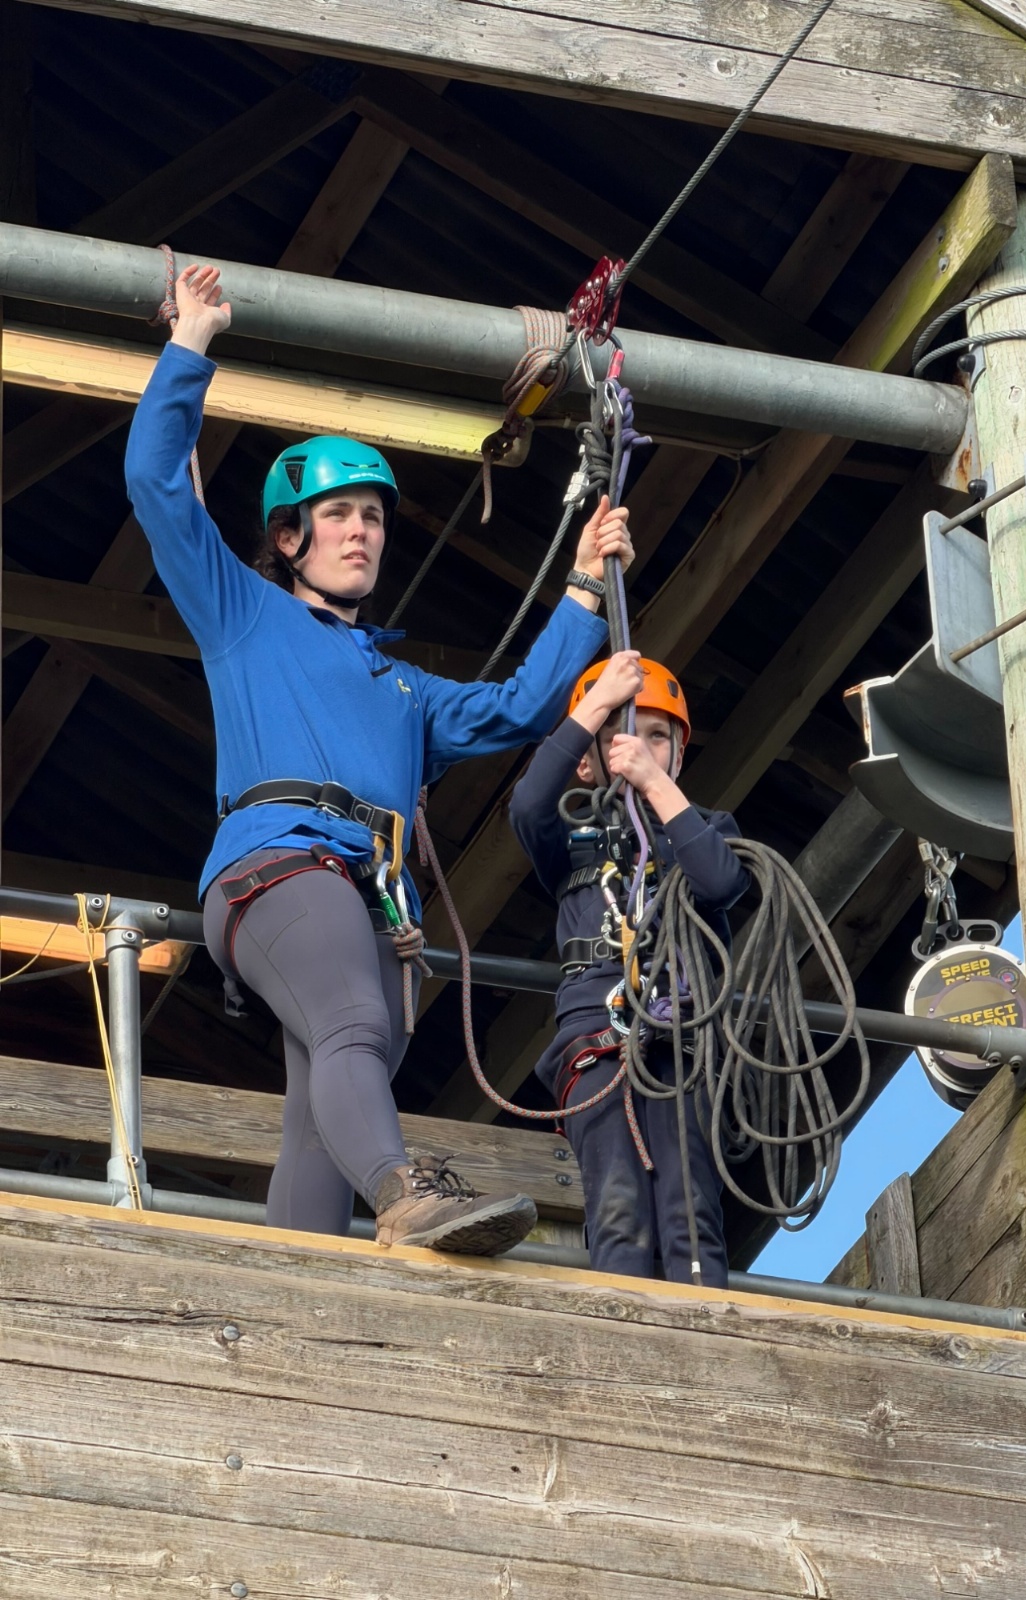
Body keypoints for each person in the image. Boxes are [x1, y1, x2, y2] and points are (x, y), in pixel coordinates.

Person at [124, 263, 635, 1256]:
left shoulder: (405, 689)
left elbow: (520, 708)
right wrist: (190, 344)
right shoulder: (244, 614)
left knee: (324, 1105)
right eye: (339, 514)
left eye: (374, 516)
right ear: (289, 538)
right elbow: (156, 485)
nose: (361, 530)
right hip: (281, 863)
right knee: (354, 1021)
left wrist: (581, 586)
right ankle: (404, 1193)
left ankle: (305, 1280)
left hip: (370, 897)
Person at [509, 651, 750, 1287]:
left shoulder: (703, 829)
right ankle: (623, 1332)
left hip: (682, 1038)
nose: (639, 745)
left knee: (690, 1213)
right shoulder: (569, 838)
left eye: (657, 736)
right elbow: (528, 805)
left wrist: (654, 785)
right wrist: (594, 705)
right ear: (587, 760)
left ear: (679, 755)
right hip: (596, 1037)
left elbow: (721, 882)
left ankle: (701, 1331)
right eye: (619, 734)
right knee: (618, 1210)